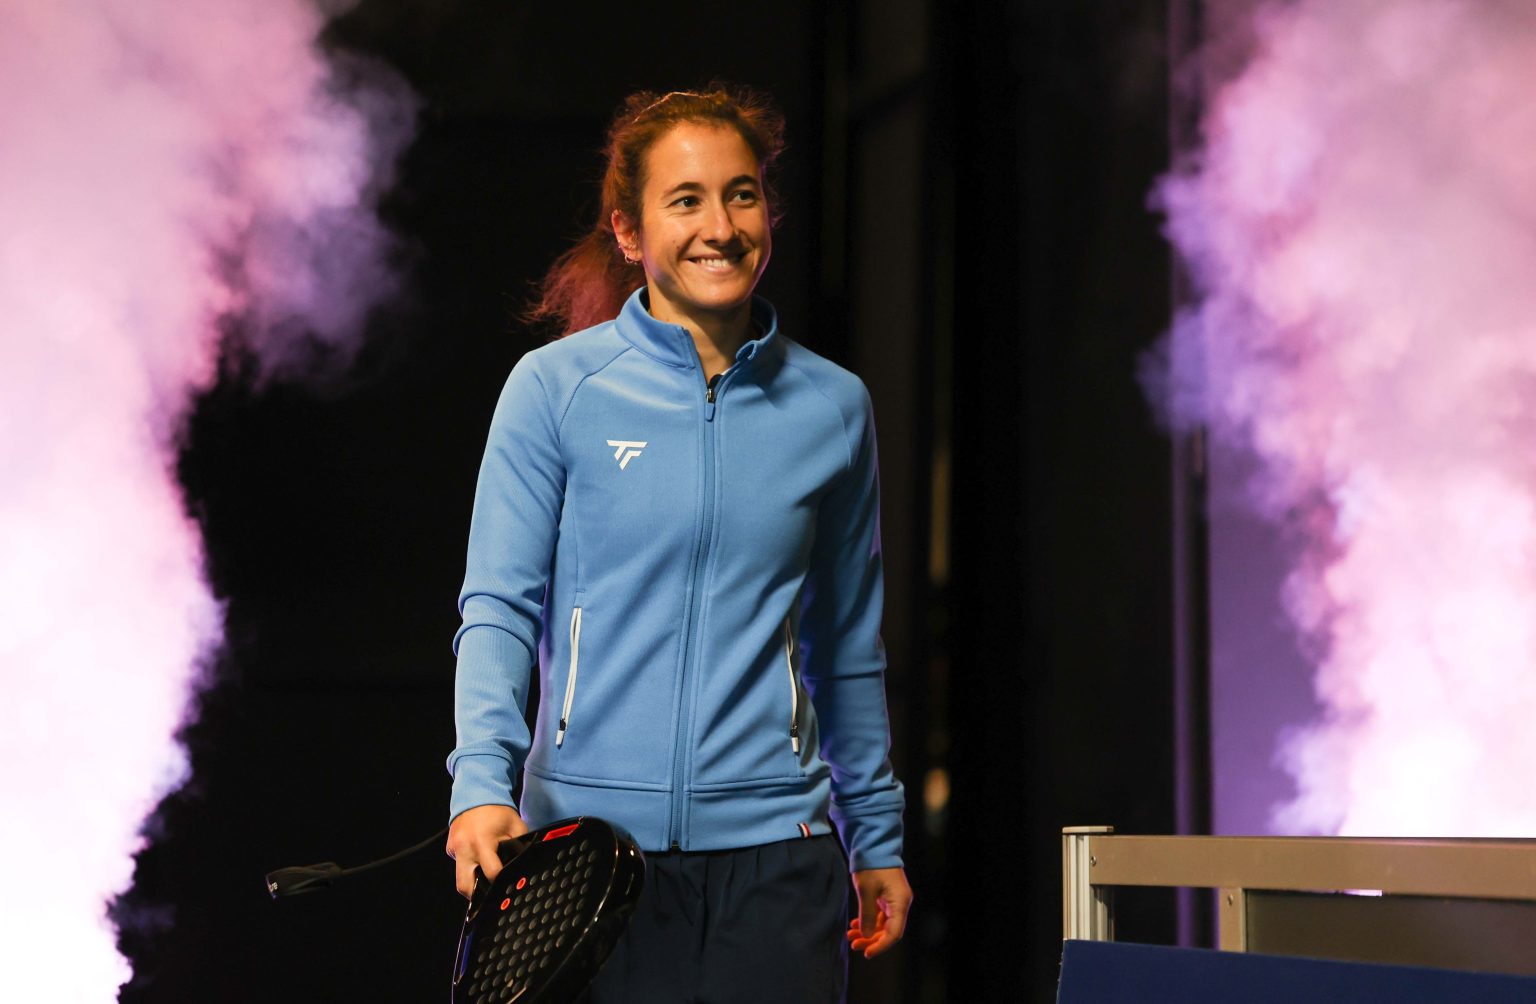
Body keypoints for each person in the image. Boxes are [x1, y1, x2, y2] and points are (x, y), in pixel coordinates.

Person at [444, 85, 911, 1002]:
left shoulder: (833, 408)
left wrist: (876, 837)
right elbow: (498, 608)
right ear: (629, 230)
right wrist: (482, 786)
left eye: (742, 195)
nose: (720, 228)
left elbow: (847, 646)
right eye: (686, 200)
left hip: (779, 863)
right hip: (587, 859)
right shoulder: (554, 391)